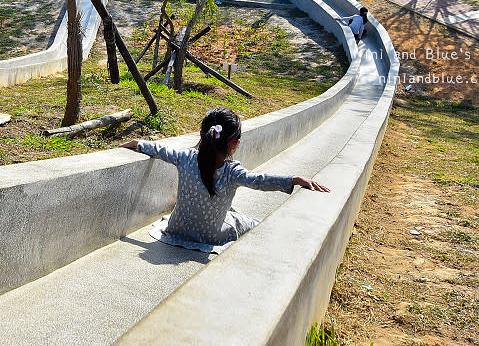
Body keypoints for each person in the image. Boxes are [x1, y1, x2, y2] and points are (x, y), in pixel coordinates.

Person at [121, 107, 330, 254]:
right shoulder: (232, 172)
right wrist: (293, 180)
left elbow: (161, 150)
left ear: (202, 134)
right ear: (235, 145)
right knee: (248, 223)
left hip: (177, 230)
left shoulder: (184, 158)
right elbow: (258, 180)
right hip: (209, 237)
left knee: (230, 212)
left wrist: (138, 144)